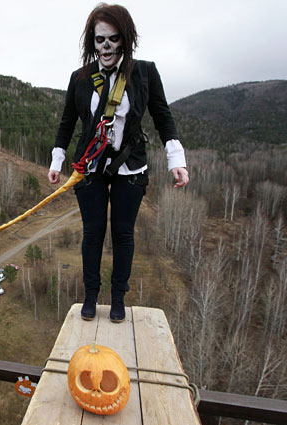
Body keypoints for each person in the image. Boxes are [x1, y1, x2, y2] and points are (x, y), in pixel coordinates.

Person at [47, 4, 189, 323]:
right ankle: (91, 295)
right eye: (100, 40)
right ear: (92, 42)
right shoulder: (81, 78)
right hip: (90, 166)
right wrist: (57, 160)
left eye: (113, 38)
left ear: (125, 39)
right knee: (93, 232)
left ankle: (118, 298)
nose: (107, 46)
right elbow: (67, 121)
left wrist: (176, 159)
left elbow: (162, 116)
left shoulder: (145, 73)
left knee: (123, 233)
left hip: (130, 166)